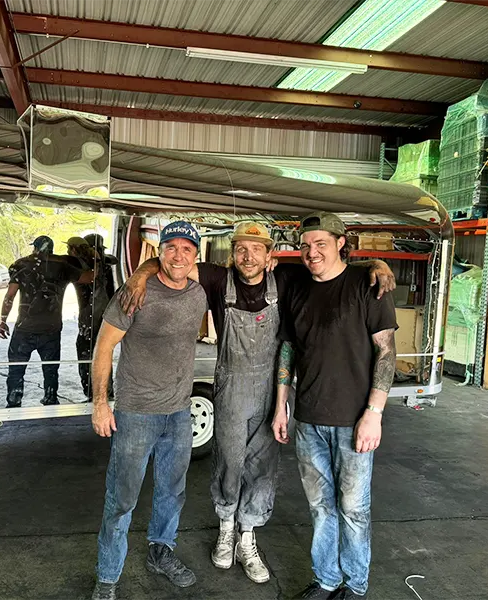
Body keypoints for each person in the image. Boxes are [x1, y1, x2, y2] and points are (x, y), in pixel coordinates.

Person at [120, 221, 394, 584]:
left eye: (256, 249)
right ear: (232, 254)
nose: (248, 257)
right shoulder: (218, 279)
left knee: (263, 468)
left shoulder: (287, 278)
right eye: (240, 249)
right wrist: (140, 275)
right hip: (231, 387)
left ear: (270, 256)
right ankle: (226, 530)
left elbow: (331, 266)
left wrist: (377, 264)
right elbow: (175, 261)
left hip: (269, 391)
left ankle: (248, 538)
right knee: (229, 462)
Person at [272, 212, 397, 600]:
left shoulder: (368, 284)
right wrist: (281, 406)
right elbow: (288, 349)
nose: (312, 252)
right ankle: (326, 580)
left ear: (341, 243)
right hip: (309, 419)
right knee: (320, 508)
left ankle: (355, 587)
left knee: (354, 509)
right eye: (305, 245)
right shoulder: (297, 286)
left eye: (321, 243)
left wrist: (374, 414)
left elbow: (386, 353)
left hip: (353, 420)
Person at [90, 221, 208, 600]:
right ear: (159, 252)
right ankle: (108, 576)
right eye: (170, 247)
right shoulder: (135, 294)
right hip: (137, 412)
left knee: (172, 491)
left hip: (179, 412)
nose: (178, 255)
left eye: (186, 248)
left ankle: (161, 552)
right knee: (122, 497)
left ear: (196, 255)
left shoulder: (199, 292)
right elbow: (103, 347)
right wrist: (100, 403)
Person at [0, 235, 93, 407]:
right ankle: (50, 400)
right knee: (51, 370)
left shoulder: (21, 265)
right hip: (51, 329)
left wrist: (3, 320)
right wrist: (93, 257)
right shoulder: (63, 266)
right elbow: (89, 278)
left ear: (35, 248)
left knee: (16, 370)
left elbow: (9, 296)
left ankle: (13, 403)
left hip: (25, 328)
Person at [66, 236, 114, 401]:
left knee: (88, 353)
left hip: (92, 317)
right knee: (102, 353)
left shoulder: (84, 266)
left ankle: (95, 394)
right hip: (103, 316)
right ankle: (105, 392)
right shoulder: (103, 265)